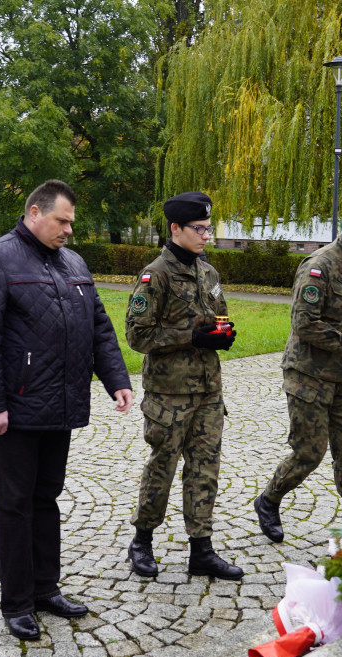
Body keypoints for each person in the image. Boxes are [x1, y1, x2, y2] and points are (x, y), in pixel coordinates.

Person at [0, 180, 133, 642]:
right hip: (15, 411)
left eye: (72, 222)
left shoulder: (72, 262)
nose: (69, 230)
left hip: (61, 404)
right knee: (14, 505)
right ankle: (16, 602)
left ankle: (45, 589)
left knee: (46, 499)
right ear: (34, 213)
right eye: (62, 220)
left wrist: (116, 378)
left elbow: (98, 324)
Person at [254, 199, 342, 542]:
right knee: (309, 452)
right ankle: (268, 500)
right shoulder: (319, 266)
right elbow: (304, 323)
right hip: (309, 375)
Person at [124, 191, 242, 581]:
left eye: (209, 228)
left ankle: (201, 549)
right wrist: (192, 337)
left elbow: (216, 315)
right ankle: (142, 541)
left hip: (208, 391)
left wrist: (221, 334)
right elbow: (138, 336)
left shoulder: (208, 272)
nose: (206, 235)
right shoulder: (155, 274)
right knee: (163, 466)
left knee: (205, 469)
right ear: (176, 229)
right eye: (199, 229)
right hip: (169, 394)